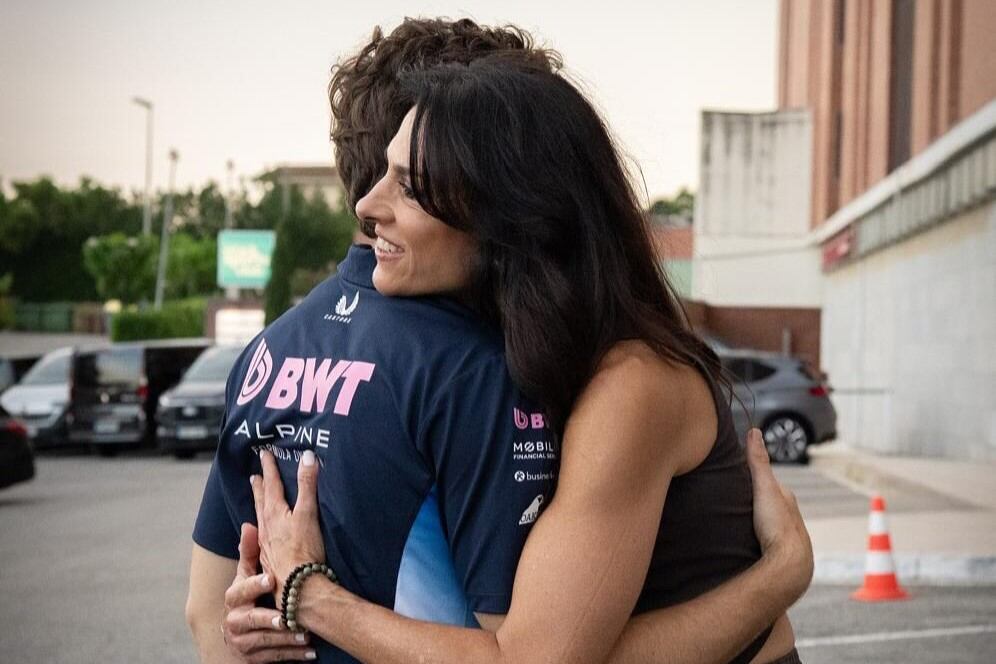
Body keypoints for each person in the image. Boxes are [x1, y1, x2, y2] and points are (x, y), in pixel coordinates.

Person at [186, 19, 812, 664]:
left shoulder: (630, 381)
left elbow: (543, 660)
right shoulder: (520, 353)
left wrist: (312, 598)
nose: (367, 205)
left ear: (509, 215)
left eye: (409, 184)